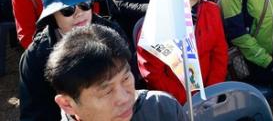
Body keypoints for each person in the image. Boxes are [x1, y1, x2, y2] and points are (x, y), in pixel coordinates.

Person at [19, 0, 124, 121]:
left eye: (84, 4)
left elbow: (131, 86)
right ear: (52, 15)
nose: (79, 13)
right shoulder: (36, 57)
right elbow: (34, 114)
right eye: (67, 9)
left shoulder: (112, 34)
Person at [45, 24, 187, 121]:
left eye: (125, 79)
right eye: (106, 91)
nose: (124, 98)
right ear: (67, 104)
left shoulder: (161, 109)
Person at [138, 0, 227, 104]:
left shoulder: (211, 10)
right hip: (178, 104)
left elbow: (220, 53)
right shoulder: (156, 25)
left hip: (210, 94)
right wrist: (188, 102)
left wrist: (212, 92)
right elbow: (153, 74)